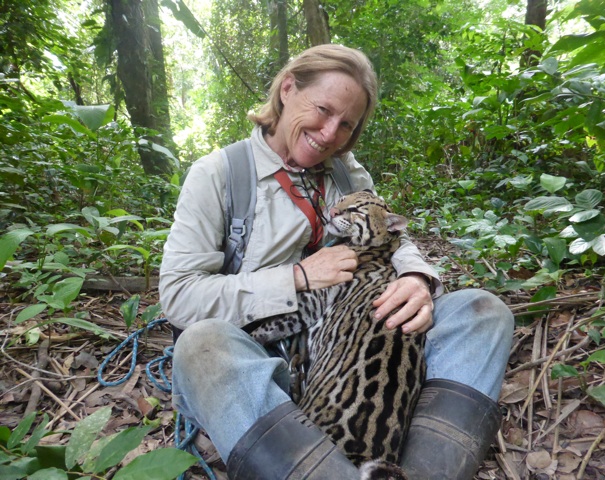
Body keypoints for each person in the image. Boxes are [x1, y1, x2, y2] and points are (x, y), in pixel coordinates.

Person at [159, 44, 514, 479]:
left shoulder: (346, 171)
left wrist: (418, 277)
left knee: (484, 312)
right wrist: (297, 277)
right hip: (261, 351)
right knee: (200, 345)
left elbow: (390, 234)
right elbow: (178, 296)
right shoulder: (219, 175)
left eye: (346, 124)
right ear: (288, 88)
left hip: (351, 350)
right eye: (323, 110)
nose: (329, 134)